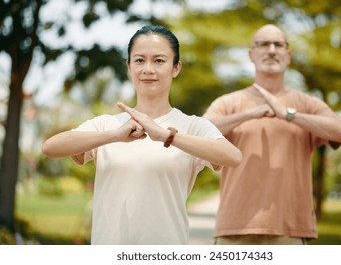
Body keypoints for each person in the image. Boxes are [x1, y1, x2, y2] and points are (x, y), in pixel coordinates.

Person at [41, 25, 242, 245]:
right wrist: (114, 136)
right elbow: (50, 148)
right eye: (139, 60)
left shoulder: (192, 125)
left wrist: (166, 136)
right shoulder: (106, 125)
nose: (148, 69)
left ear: (176, 68)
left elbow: (232, 156)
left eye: (159, 61)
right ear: (128, 67)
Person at [203, 24, 341, 245]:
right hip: (234, 229)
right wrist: (250, 113)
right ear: (251, 54)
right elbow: (199, 131)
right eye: (263, 44)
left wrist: (289, 115)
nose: (272, 50)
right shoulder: (229, 102)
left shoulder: (306, 103)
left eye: (278, 45)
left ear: (288, 55)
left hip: (289, 230)